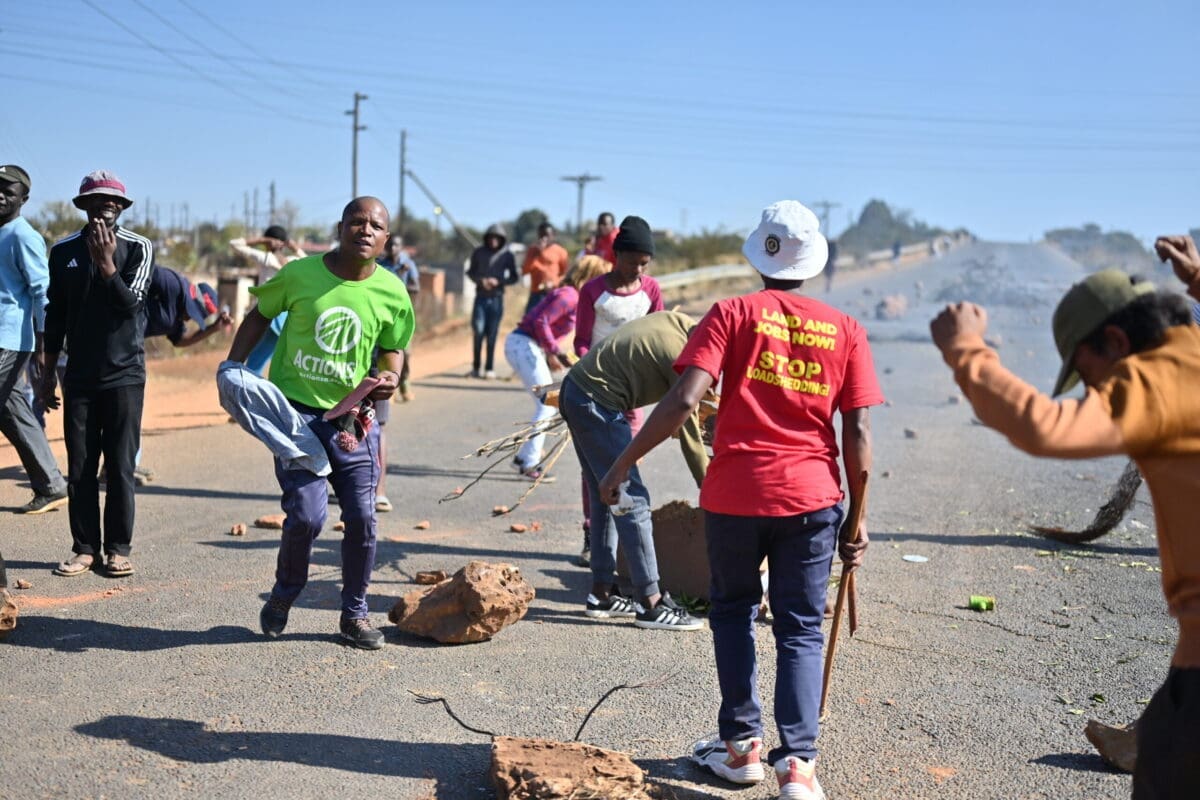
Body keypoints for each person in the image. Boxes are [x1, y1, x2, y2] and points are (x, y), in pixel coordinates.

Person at [598, 201, 881, 798]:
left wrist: (623, 462)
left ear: (760, 255)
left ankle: (741, 748)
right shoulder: (846, 329)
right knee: (801, 627)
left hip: (735, 495)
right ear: (812, 262)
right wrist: (857, 518)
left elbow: (680, 401)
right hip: (812, 498)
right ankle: (798, 766)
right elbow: (855, 435)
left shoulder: (731, 313)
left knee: (732, 612)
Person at [929, 238, 1200, 800]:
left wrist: (966, 352)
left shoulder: (1156, 377)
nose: (1097, 392)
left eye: (1090, 372)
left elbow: (1045, 427)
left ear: (1118, 341)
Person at [224, 197, 413, 650]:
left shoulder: (392, 291)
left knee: (364, 517)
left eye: (376, 225)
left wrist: (391, 376)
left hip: (352, 418)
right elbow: (259, 315)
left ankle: (354, 615)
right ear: (341, 227)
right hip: (296, 417)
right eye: (357, 222)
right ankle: (284, 595)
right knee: (307, 518)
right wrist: (233, 370)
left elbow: (393, 346)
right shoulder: (300, 274)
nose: (365, 230)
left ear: (386, 239)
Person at [560, 310, 708, 632]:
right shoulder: (681, 354)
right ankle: (650, 603)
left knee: (606, 496)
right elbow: (689, 431)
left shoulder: (678, 323)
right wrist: (710, 487)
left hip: (576, 391)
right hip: (597, 403)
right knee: (631, 499)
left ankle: (601, 595)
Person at [42, 171, 155, 579]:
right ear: (83, 206)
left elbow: (130, 306)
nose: (106, 205)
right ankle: (85, 548)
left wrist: (107, 265)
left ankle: (118, 549)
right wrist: (45, 370)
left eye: (113, 201)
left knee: (121, 466)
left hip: (125, 375)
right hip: (79, 376)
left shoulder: (138, 248)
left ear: (122, 208)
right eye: (97, 200)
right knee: (81, 466)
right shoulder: (63, 251)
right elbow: (54, 313)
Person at [574, 215, 663, 564]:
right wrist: (592, 371)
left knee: (627, 464)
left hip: (633, 394)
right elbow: (581, 342)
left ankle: (624, 543)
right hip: (595, 391)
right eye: (632, 262)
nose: (638, 271)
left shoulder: (651, 290)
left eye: (644, 264)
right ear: (615, 256)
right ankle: (590, 533)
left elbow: (658, 336)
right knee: (595, 467)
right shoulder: (593, 292)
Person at [0, 164, 69, 514]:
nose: (0, 195)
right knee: (9, 408)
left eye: (8, 191)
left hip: (11, 337)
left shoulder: (22, 235)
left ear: (23, 199)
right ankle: (52, 485)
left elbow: (42, 293)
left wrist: (45, 346)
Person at [504, 255, 610, 479]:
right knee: (548, 403)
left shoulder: (575, 297)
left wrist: (552, 352)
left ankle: (524, 458)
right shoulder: (569, 295)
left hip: (527, 345)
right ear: (591, 276)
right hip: (523, 343)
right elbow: (541, 321)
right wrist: (554, 350)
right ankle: (529, 462)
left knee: (548, 404)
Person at [372, 233, 419, 512]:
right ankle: (346, 486)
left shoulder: (400, 271)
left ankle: (379, 490)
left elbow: (415, 289)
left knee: (378, 425)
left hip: (385, 346)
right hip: (345, 362)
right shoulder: (370, 268)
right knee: (342, 424)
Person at [230, 225, 307, 376]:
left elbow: (235, 244)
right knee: (275, 356)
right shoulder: (294, 261)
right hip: (286, 316)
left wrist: (262, 239)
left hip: (267, 313)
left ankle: (252, 389)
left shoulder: (266, 258)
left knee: (255, 360)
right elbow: (308, 259)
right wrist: (293, 246)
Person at [466, 223, 518, 379]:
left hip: (496, 299)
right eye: (491, 237)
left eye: (497, 238)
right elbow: (470, 272)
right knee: (478, 332)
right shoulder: (479, 253)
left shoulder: (507, 255)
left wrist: (499, 281)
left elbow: (514, 277)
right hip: (481, 298)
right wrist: (481, 281)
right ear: (487, 238)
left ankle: (489, 368)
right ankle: (476, 367)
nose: (493, 240)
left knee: (492, 335)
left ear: (502, 239)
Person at [377, 233, 419, 401]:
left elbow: (415, 288)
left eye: (396, 246)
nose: (393, 249)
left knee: (405, 352)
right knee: (383, 352)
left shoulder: (408, 266)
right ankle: (388, 387)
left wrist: (402, 277)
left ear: (401, 248)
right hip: (383, 315)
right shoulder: (380, 266)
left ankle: (405, 382)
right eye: (390, 245)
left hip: (401, 316)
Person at [521, 222, 570, 314]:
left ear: (553, 236)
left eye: (547, 235)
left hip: (553, 293)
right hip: (536, 294)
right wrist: (536, 254)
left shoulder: (560, 252)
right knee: (529, 323)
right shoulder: (532, 250)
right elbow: (525, 271)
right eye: (541, 235)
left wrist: (554, 283)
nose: (544, 238)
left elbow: (565, 275)